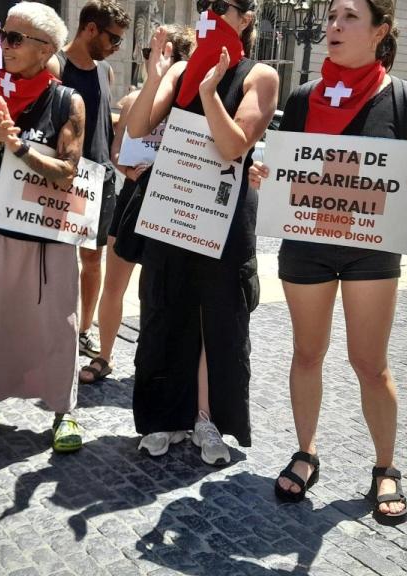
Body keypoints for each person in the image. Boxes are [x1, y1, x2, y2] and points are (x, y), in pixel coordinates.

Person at [248, 0, 407, 525]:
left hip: (370, 247)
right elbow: (290, 169)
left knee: (370, 364)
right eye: (332, 15)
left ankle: (385, 467)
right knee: (307, 353)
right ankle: (306, 453)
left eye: (350, 17)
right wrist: (268, 177)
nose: (334, 26)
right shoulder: (303, 97)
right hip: (307, 243)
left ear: (380, 31)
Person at [126, 0, 279, 465]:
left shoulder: (259, 76)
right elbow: (137, 127)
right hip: (174, 202)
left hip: (224, 210)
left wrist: (211, 92)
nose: (208, 10)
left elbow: (234, 145)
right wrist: (155, 76)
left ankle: (207, 417)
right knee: (166, 305)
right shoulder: (181, 70)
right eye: (203, 3)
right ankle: (165, 416)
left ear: (245, 19)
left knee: (218, 312)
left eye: (221, 4)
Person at [0, 1, 87, 452]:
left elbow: (68, 171)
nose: (4, 46)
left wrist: (21, 150)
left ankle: (63, 412)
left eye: (14, 38)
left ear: (45, 48)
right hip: (0, 230)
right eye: (3, 36)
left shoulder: (68, 101)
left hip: (50, 234)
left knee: (59, 323)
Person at [78, 24, 195, 385]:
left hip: (173, 201)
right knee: (115, 283)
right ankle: (104, 355)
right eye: (149, 53)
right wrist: (127, 167)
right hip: (133, 197)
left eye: (163, 54)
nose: (152, 60)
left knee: (159, 290)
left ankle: (154, 358)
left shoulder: (191, 106)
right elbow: (116, 150)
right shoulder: (132, 101)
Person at [46, 0, 130, 359]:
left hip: (100, 178)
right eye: (114, 38)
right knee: (55, 258)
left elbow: (101, 120)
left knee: (93, 260)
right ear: (90, 29)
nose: (117, 47)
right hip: (62, 178)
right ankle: (52, 328)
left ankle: (83, 330)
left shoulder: (105, 71)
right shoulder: (55, 65)